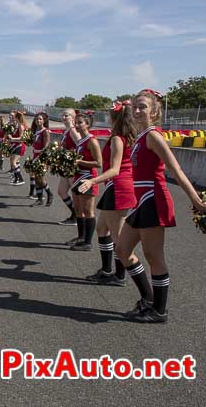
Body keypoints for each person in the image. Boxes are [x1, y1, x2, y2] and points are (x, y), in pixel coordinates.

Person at [115, 89, 206, 323]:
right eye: (135, 107)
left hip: (153, 198)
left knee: (153, 255)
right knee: (122, 249)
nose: (137, 111)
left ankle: (159, 310)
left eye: (143, 107)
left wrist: (196, 200)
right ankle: (148, 299)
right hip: (142, 201)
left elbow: (175, 169)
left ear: (155, 111)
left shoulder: (153, 136)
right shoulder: (140, 136)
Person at [77, 101, 137, 285]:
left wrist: (92, 181)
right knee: (102, 229)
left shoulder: (118, 138)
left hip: (119, 187)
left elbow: (115, 169)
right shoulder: (122, 136)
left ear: (114, 117)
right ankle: (106, 270)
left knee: (120, 240)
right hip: (115, 186)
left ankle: (119, 276)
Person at [69, 111, 102, 251]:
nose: (77, 125)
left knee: (88, 211)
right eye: (76, 122)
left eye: (80, 122)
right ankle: (80, 237)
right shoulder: (80, 140)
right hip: (78, 176)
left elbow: (99, 163)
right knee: (78, 210)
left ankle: (87, 242)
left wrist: (79, 161)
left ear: (87, 124)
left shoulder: (92, 140)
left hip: (87, 178)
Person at [57, 109, 81, 227]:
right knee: (61, 192)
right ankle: (75, 213)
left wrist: (72, 154)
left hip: (71, 165)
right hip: (65, 164)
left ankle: (78, 217)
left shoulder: (72, 130)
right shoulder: (66, 131)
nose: (64, 117)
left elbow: (80, 144)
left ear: (73, 117)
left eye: (66, 115)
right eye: (63, 115)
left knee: (75, 193)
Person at [29, 112, 53, 206]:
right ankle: (39, 199)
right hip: (35, 155)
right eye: (36, 119)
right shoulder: (35, 131)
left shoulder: (45, 131)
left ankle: (49, 194)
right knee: (36, 179)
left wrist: (40, 155)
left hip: (42, 157)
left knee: (41, 179)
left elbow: (46, 145)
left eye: (40, 119)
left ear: (44, 121)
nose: (38, 121)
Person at [6, 111, 27, 186]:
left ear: (17, 118)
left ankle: (20, 179)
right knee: (14, 162)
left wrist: (12, 139)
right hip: (15, 145)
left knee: (14, 163)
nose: (13, 118)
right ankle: (16, 179)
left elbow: (22, 139)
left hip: (19, 146)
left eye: (14, 116)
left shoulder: (21, 126)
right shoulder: (17, 126)